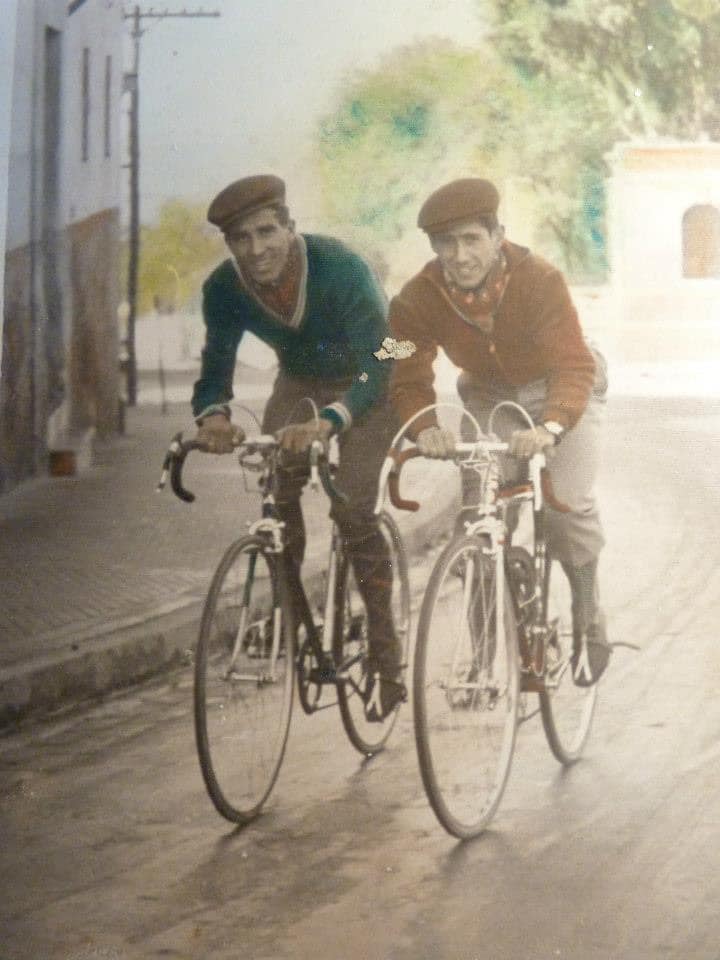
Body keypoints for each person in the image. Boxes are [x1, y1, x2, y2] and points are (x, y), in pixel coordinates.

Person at [192, 174, 402, 720]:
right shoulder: (224, 288)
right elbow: (215, 365)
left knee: (353, 508)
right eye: (241, 238)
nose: (256, 249)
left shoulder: (341, 267)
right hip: (300, 382)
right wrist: (213, 414)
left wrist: (334, 419)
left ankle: (386, 656)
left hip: (371, 383)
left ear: (290, 227)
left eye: (267, 232)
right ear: (229, 244)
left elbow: (387, 355)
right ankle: (297, 621)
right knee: (276, 492)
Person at [388, 177, 611, 686]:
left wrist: (551, 426)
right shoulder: (417, 300)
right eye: (446, 243)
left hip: (564, 387)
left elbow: (573, 362)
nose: (460, 255)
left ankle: (587, 613)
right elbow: (404, 371)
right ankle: (482, 654)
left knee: (565, 506)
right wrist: (425, 429)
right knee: (479, 515)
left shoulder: (540, 279)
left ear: (497, 235)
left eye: (472, 239)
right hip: (491, 398)